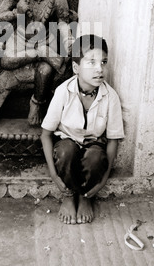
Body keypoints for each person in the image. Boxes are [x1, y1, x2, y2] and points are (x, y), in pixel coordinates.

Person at [41, 34, 124, 224]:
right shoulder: (64, 92)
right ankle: (69, 197)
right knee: (66, 151)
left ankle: (86, 197)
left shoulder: (110, 97)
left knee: (95, 156)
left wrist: (103, 180)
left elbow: (113, 140)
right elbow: (45, 135)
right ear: (76, 67)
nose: (99, 69)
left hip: (94, 145)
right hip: (67, 142)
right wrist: (54, 175)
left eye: (103, 62)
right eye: (91, 62)